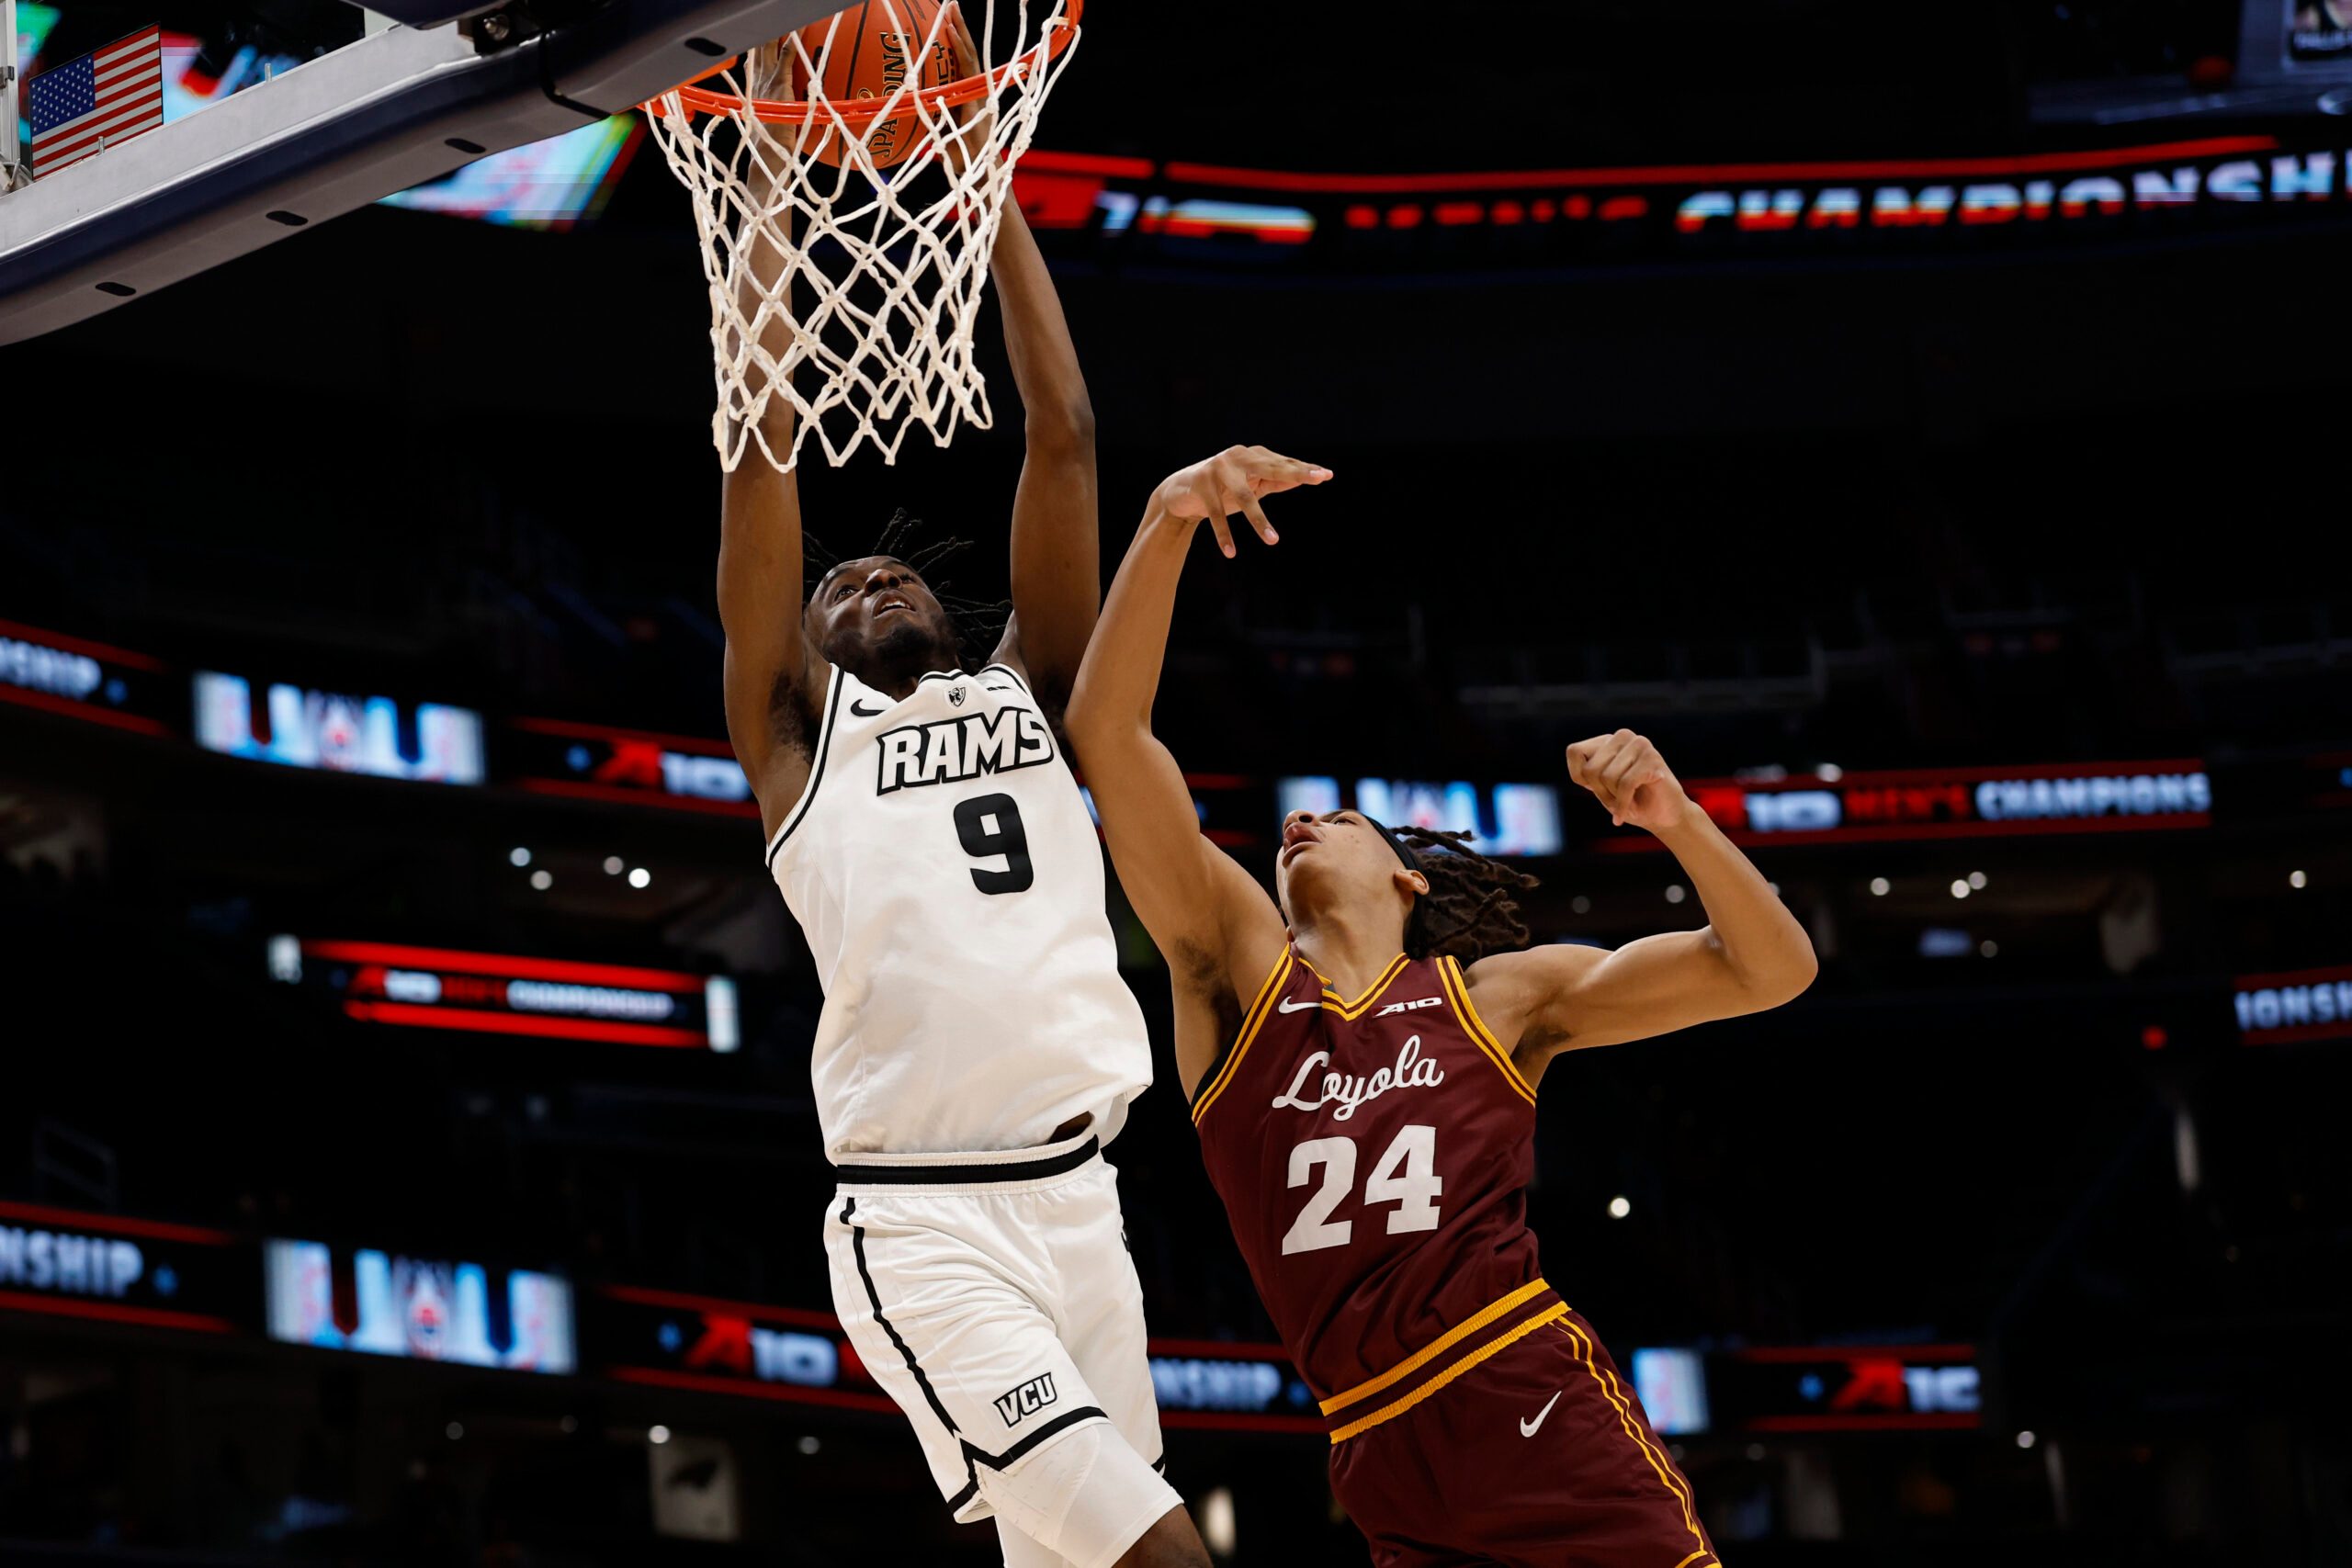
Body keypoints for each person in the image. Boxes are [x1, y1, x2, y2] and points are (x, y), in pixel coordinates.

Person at [1065, 446, 1819, 1567]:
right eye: (1287, 834)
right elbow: (1111, 738)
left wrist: (1676, 820)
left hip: (1513, 1378)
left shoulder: (1499, 999)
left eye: (1334, 819)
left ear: (1408, 876)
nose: (1292, 832)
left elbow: (1772, 970)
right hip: (1373, 1439)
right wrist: (1168, 518)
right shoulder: (1235, 977)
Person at [713, 40, 1204, 1568]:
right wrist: (781, 196)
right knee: (1157, 1551)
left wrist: (980, 175)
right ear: (798, 648)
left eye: (895, 564)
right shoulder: (802, 743)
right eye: (838, 582)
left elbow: (1064, 440)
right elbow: (766, 441)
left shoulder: (1034, 693)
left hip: (1082, 1205)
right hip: (924, 1226)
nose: (868, 571)